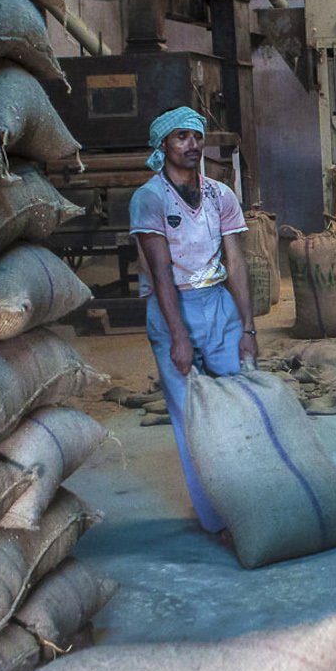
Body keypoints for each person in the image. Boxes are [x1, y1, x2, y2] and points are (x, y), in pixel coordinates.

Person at [130, 106, 257, 531]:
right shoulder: (150, 198)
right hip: (172, 308)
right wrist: (178, 336)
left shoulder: (221, 195)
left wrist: (247, 328)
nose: (192, 145)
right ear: (163, 144)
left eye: (197, 137)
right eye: (181, 137)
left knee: (241, 400)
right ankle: (215, 516)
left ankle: (249, 497)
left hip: (218, 304)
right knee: (191, 416)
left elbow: (236, 262)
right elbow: (160, 272)